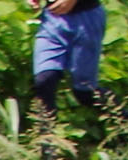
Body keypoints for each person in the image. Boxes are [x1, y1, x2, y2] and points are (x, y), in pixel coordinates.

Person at [32, 0, 107, 146]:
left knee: (84, 92)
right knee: (44, 79)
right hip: (52, 20)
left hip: (86, 19)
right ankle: (46, 148)